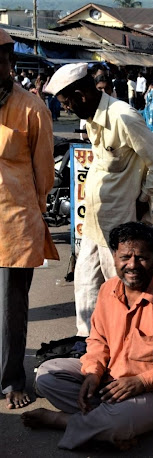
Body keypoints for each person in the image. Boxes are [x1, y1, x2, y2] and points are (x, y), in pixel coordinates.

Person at [21, 222, 153, 450]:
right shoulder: (108, 290)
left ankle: (65, 420)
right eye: (125, 257)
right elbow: (98, 340)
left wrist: (141, 382)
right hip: (113, 378)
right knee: (48, 374)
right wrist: (93, 374)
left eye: (142, 258)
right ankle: (105, 422)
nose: (132, 265)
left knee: (120, 419)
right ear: (114, 257)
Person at [44, 63, 153, 338]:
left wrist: (144, 197)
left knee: (121, 289)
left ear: (82, 94)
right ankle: (87, 341)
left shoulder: (123, 116)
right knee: (85, 283)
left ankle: (128, 346)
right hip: (93, 221)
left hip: (121, 223)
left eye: (68, 103)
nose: (67, 109)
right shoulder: (90, 119)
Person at [0, 29, 59, 409]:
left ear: (7, 65)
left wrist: (34, 214)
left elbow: (44, 176)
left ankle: (12, 382)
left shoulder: (31, 108)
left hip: (14, 226)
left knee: (10, 310)